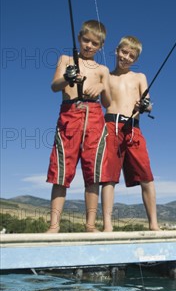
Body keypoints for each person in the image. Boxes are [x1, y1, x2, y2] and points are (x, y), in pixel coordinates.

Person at [46, 20, 111, 232]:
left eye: (95, 43)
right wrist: (67, 77)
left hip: (94, 117)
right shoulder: (66, 59)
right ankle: (54, 226)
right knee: (61, 171)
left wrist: (102, 86)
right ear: (79, 38)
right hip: (69, 115)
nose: (89, 45)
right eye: (86, 40)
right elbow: (55, 86)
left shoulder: (103, 70)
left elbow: (108, 103)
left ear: (100, 46)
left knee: (93, 173)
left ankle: (90, 225)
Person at [101, 35, 159, 232]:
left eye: (131, 56)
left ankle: (154, 224)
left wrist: (145, 106)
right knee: (108, 177)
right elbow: (103, 102)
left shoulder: (140, 77)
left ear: (136, 60)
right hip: (110, 126)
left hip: (133, 127)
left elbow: (149, 105)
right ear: (117, 50)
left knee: (147, 176)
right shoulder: (106, 75)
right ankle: (107, 226)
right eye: (123, 52)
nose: (126, 57)